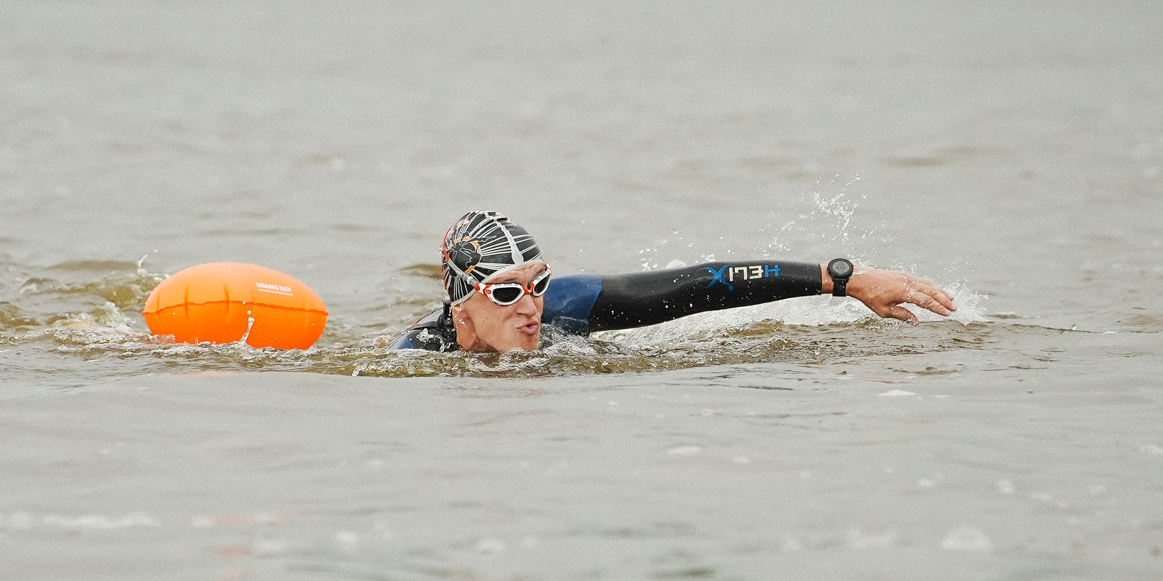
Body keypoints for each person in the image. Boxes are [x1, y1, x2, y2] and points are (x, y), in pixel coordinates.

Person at [395, 210, 958, 354]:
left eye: (537, 283)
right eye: (507, 293)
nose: (531, 307)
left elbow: (702, 285)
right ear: (463, 308)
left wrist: (846, 279)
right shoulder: (418, 355)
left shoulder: (568, 304)